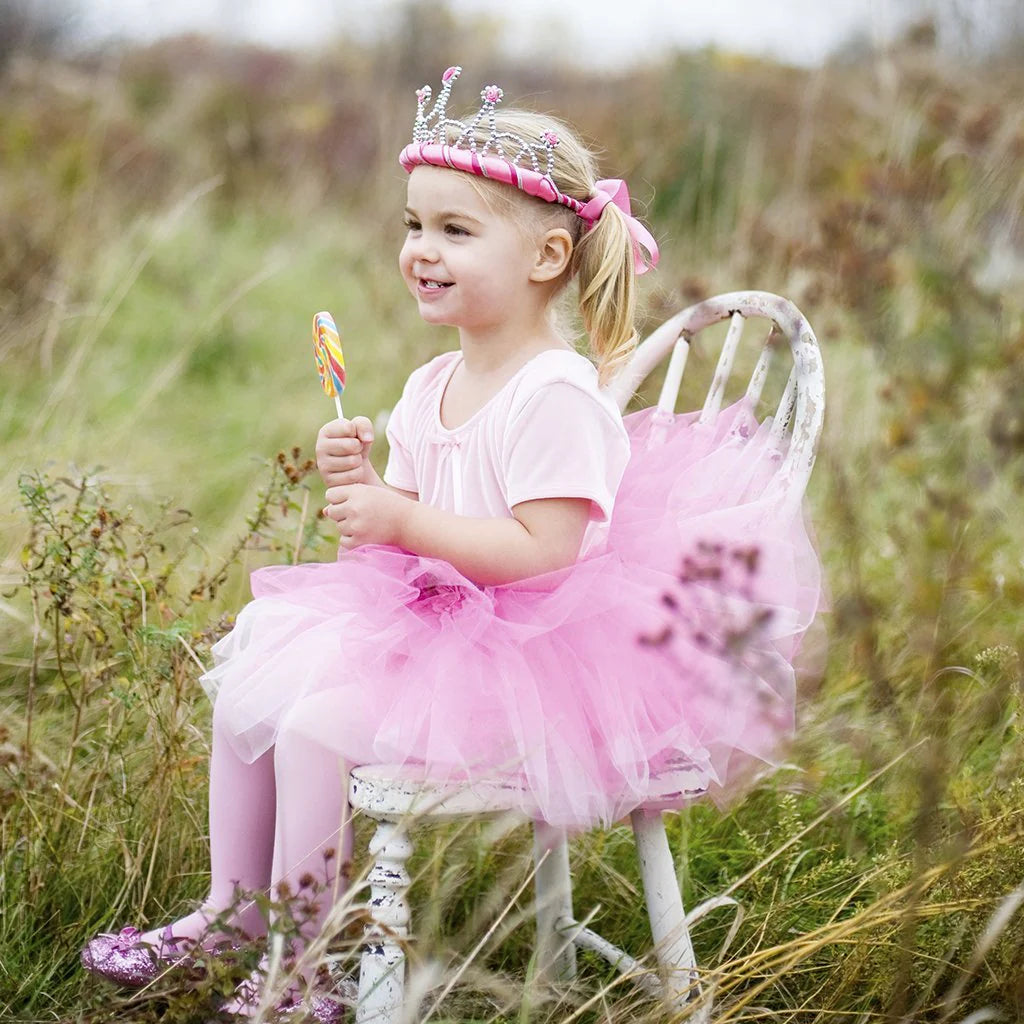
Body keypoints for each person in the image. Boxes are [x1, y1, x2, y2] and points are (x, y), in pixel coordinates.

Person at [81, 67, 821, 1019]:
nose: (421, 250)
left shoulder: (555, 396)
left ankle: (304, 970)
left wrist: (406, 521)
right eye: (413, 226)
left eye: (455, 231)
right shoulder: (433, 385)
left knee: (311, 725)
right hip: (434, 623)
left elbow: (548, 552)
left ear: (548, 255)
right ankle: (232, 912)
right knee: (253, 674)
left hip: (534, 655)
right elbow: (397, 549)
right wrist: (369, 497)